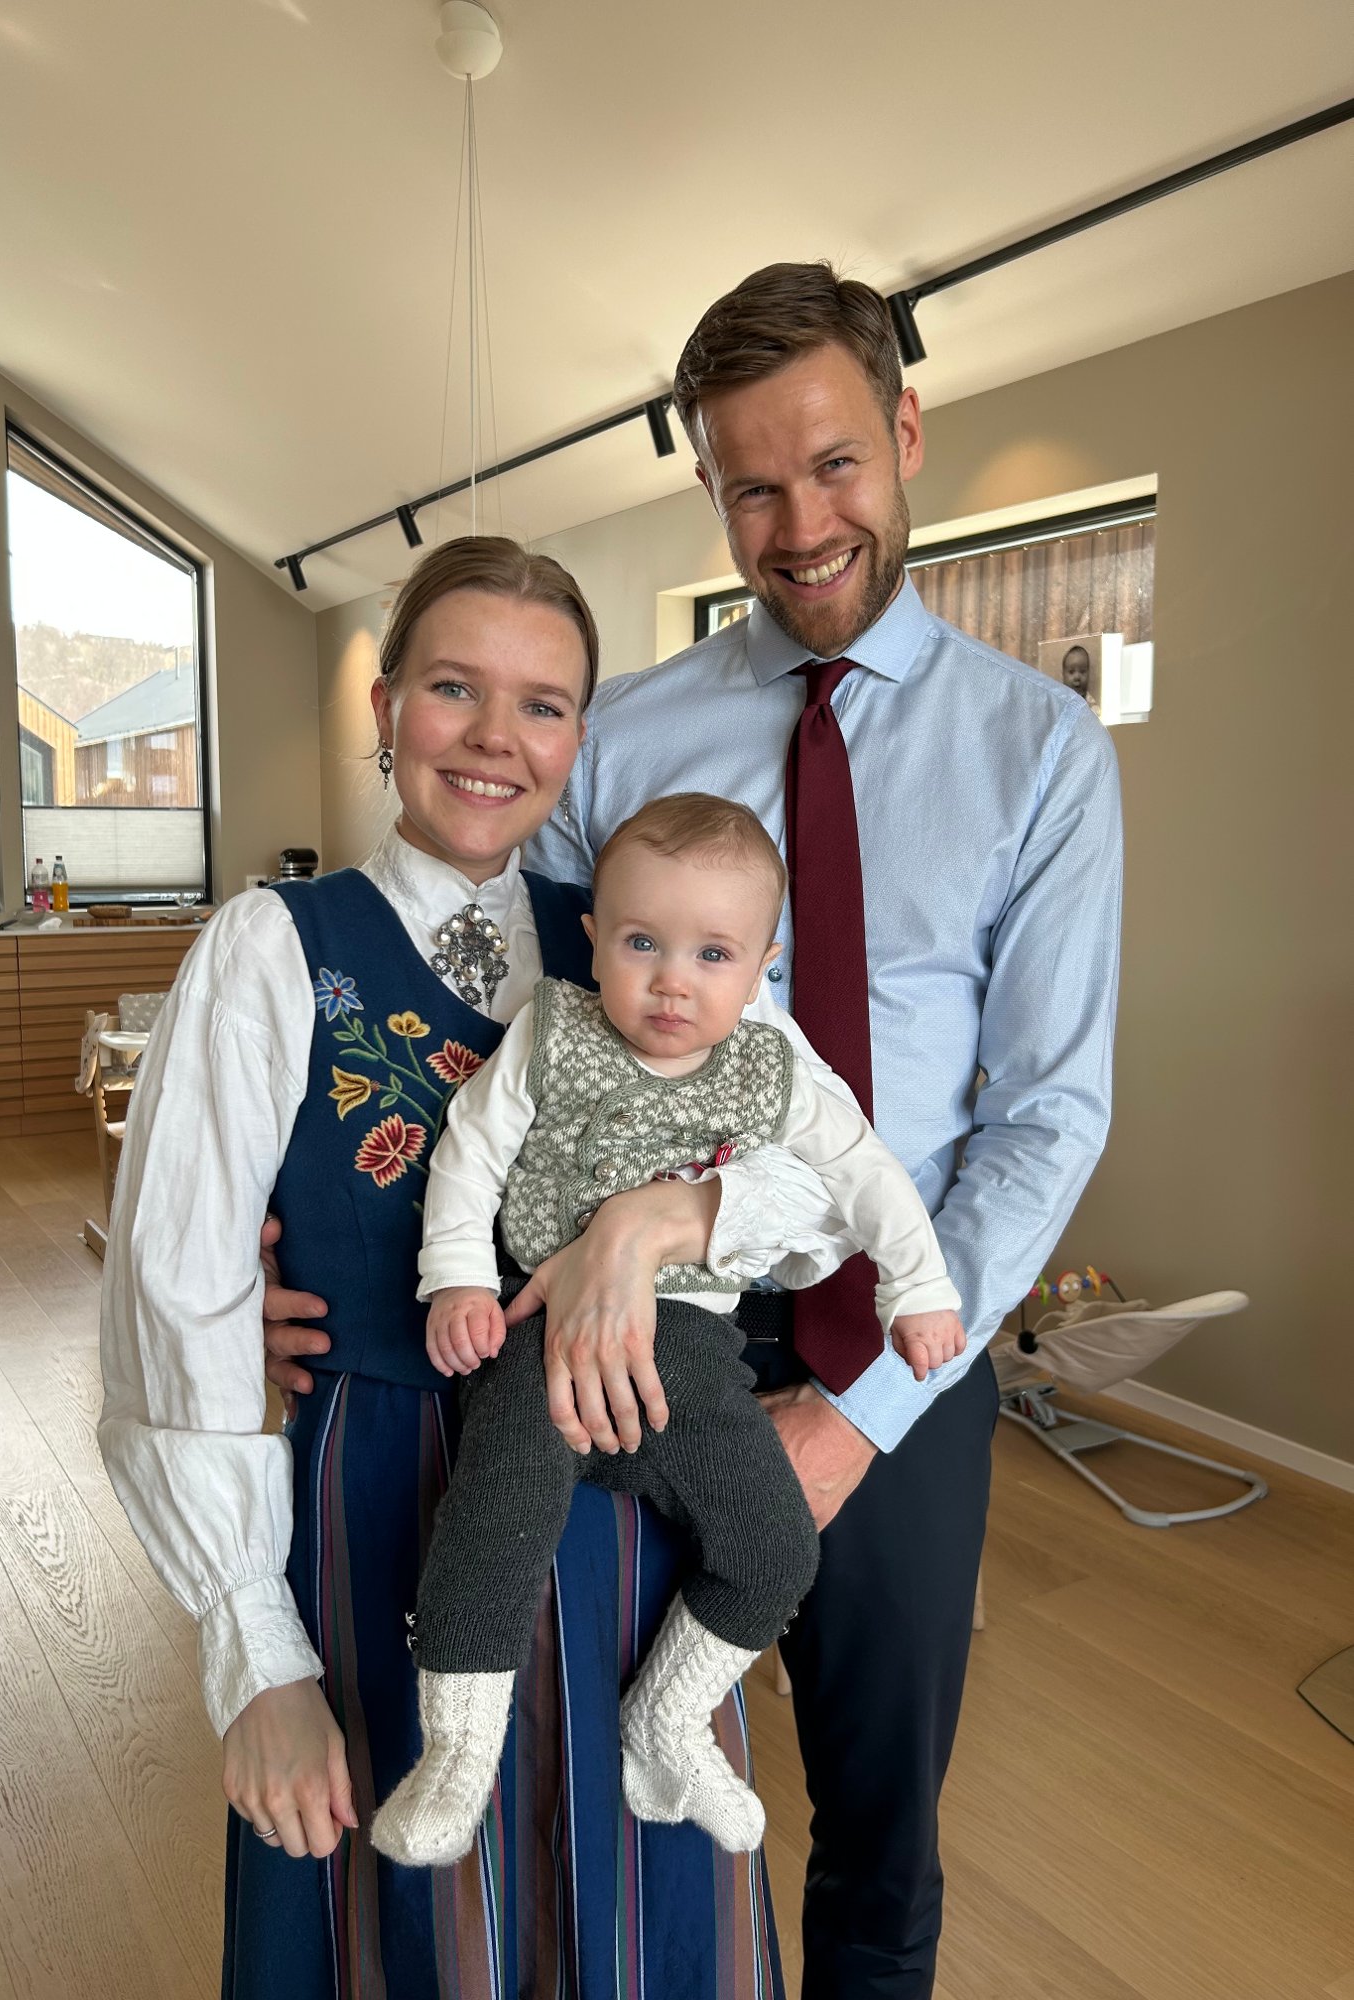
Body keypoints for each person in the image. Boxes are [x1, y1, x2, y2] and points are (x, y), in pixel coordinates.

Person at [268, 265, 1123, 1997]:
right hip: (612, 1341)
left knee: (878, 1834)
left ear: (905, 431)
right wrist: (304, 1249)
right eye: (750, 486)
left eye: (833, 465)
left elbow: (1046, 1120)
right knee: (607, 1797)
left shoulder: (1041, 753)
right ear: (710, 489)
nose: (799, 526)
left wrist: (863, 1417)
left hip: (895, 1355)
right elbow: (488, 1021)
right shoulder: (625, 739)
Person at [100, 535, 850, 1999]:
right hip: (378, 1496)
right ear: (386, 708)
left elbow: (825, 1175)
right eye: (455, 687)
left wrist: (669, 1219)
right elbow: (175, 1292)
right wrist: (255, 1656)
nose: (497, 736)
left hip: (624, 1479)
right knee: (410, 1917)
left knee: (630, 1896)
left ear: (580, 736)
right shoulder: (271, 949)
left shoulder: (644, 935)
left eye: (543, 703)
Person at [372, 794, 964, 1869]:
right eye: (641, 943)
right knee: (497, 1512)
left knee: (777, 1545)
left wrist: (916, 1289)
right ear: (594, 938)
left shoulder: (770, 1067)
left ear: (761, 968)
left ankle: (669, 1721)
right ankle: (456, 1752)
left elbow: (867, 1173)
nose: (672, 981)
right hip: (542, 1323)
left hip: (691, 1344)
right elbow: (469, 1151)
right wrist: (456, 1279)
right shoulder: (555, 1031)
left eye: (713, 954)